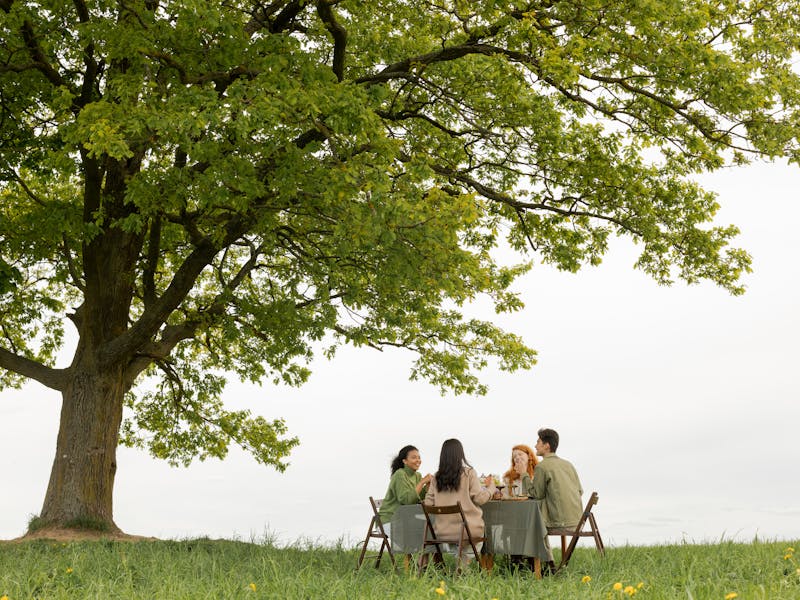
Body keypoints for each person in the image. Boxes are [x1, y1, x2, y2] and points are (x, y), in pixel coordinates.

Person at [424, 438, 496, 556]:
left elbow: (428, 503)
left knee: (459, 545)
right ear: (461, 454)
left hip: (443, 531)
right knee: (477, 537)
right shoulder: (469, 473)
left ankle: (460, 564)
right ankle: (464, 564)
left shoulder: (437, 477)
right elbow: (480, 499)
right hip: (468, 531)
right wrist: (491, 488)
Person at [514, 428, 583, 528]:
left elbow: (537, 494)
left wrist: (524, 473)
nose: (535, 446)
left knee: (524, 518)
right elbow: (580, 491)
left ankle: (536, 544)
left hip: (559, 522)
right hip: (577, 521)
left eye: (538, 442)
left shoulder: (542, 466)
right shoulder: (568, 465)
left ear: (546, 446)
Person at [378, 445, 432, 526]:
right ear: (405, 461)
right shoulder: (400, 474)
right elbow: (407, 501)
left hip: (406, 519)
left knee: (429, 528)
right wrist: (422, 482)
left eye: (419, 458)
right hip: (390, 520)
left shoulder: (417, 475)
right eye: (414, 457)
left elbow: (417, 499)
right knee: (421, 531)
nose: (418, 460)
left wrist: (427, 487)